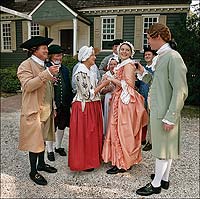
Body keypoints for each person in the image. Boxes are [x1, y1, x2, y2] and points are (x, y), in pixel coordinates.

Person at [135, 23, 188, 196]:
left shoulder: (172, 57)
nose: (148, 42)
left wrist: (171, 117)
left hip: (165, 112)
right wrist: (143, 73)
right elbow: (159, 84)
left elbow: (181, 90)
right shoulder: (163, 56)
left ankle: (156, 184)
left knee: (162, 150)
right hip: (160, 110)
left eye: (149, 38)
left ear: (158, 37)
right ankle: (164, 179)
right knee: (166, 148)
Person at [102, 41, 148, 174]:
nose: (124, 51)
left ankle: (123, 162)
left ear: (131, 52)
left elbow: (128, 85)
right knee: (118, 130)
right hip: (119, 99)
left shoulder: (128, 65)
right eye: (122, 49)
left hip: (125, 101)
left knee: (122, 131)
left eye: (127, 50)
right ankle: (120, 160)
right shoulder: (123, 64)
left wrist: (111, 79)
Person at [17, 36, 58, 186]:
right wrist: (47, 74)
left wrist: (53, 106)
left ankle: (42, 164)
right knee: (35, 142)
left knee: (43, 139)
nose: (47, 50)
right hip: (34, 111)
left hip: (46, 109)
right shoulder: (25, 65)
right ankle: (33, 171)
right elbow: (28, 86)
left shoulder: (44, 65)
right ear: (34, 50)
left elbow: (47, 89)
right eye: (44, 48)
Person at [68, 45, 110, 171]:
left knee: (92, 133)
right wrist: (104, 84)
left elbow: (94, 89)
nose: (95, 57)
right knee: (86, 134)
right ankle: (84, 162)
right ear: (86, 57)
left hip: (93, 105)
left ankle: (92, 159)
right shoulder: (80, 71)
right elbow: (87, 94)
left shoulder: (90, 69)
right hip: (84, 107)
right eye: (92, 55)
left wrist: (102, 83)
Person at [45, 44, 73, 161]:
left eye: (61, 55)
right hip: (52, 103)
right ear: (51, 56)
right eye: (57, 55)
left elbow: (69, 86)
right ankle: (50, 149)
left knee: (62, 125)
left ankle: (58, 146)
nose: (59, 58)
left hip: (64, 103)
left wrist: (71, 102)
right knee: (52, 126)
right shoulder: (45, 68)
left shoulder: (65, 69)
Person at [137, 47, 158, 151]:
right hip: (142, 96)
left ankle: (151, 141)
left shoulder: (154, 69)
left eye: (149, 55)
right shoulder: (143, 68)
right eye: (145, 55)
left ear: (153, 56)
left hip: (151, 97)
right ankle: (143, 138)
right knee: (143, 118)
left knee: (151, 120)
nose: (147, 56)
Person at [100, 57, 119, 135]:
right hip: (108, 97)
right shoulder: (106, 75)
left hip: (118, 97)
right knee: (108, 115)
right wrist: (108, 89)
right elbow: (101, 90)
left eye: (115, 64)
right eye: (111, 64)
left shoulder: (119, 74)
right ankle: (108, 133)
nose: (113, 66)